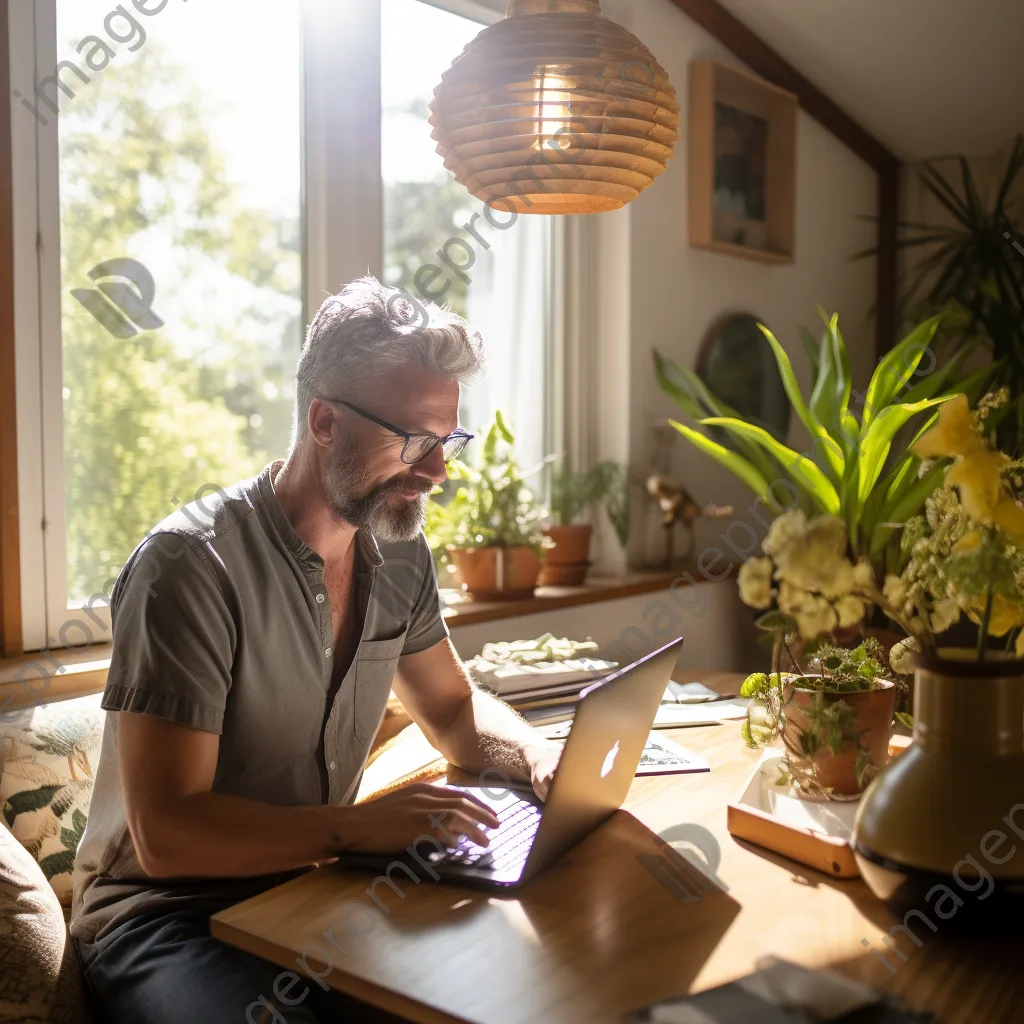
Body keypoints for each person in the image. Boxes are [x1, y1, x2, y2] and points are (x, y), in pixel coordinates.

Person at [70, 277, 562, 1024]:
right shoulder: (190, 566)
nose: (437, 471)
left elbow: (455, 708)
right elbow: (168, 836)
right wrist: (359, 829)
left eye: (446, 440)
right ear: (325, 421)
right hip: (166, 918)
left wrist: (535, 756)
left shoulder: (399, 553)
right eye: (415, 441)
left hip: (314, 886)